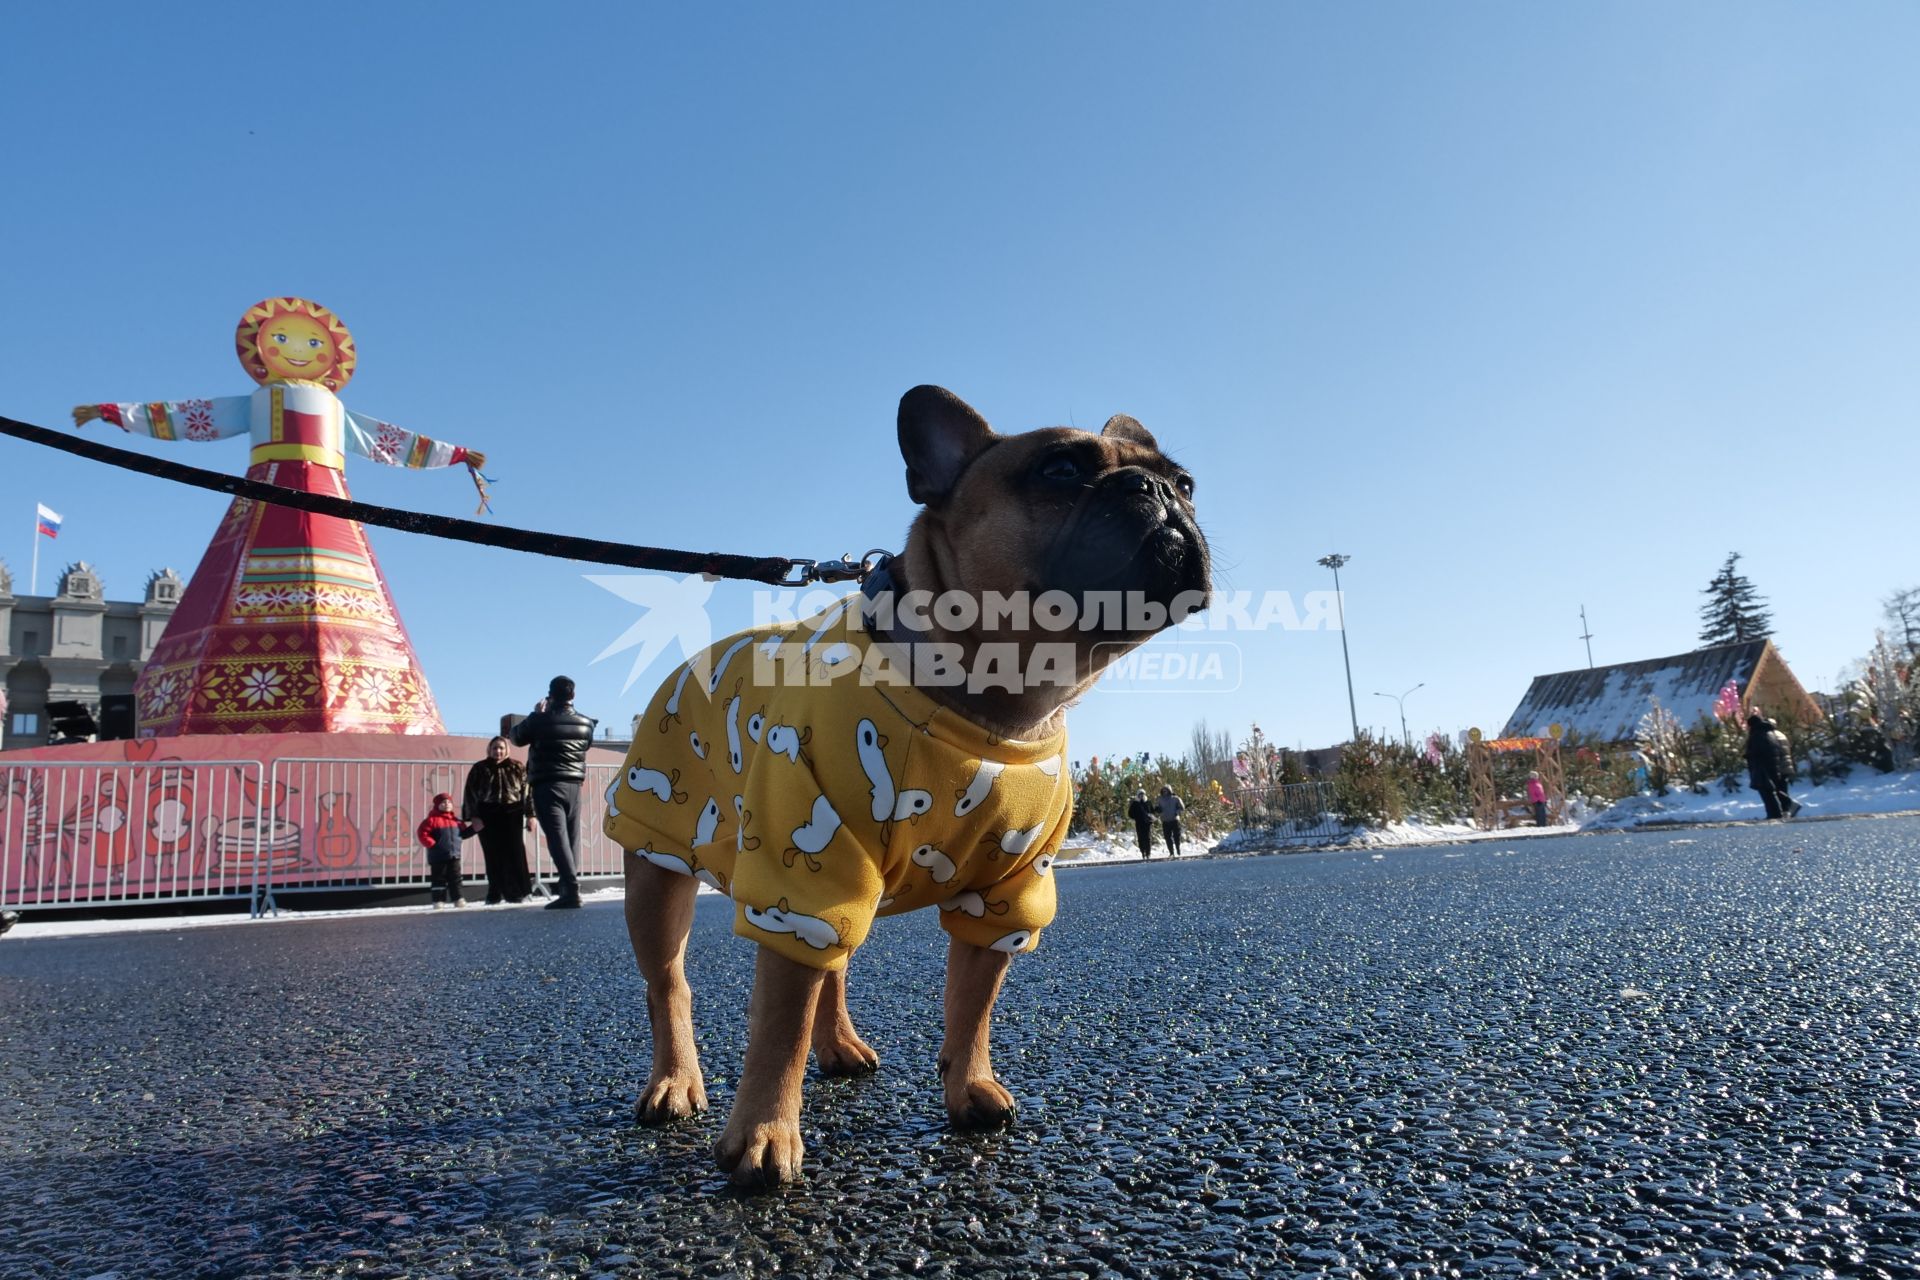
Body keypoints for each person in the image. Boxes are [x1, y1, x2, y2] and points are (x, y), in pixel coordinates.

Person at [511, 675, 598, 908]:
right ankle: (569, 887)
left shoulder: (540, 720)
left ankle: (570, 890)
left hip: (547, 784)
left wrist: (537, 714)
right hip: (574, 785)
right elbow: (586, 745)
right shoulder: (586, 723)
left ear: (550, 694)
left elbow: (516, 737)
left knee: (557, 838)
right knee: (571, 838)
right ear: (573, 695)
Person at [463, 736, 536, 903]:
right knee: (492, 854)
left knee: (515, 853)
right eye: (495, 748)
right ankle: (494, 892)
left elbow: (527, 793)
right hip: (487, 814)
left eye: (501, 748)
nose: (498, 751)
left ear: (507, 750)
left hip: (512, 813)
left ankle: (517, 892)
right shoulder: (479, 768)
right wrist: (473, 817)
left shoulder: (517, 767)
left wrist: (531, 815)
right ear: (489, 749)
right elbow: (470, 793)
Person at [417, 793, 482, 908]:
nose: (446, 804)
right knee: (438, 878)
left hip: (454, 855)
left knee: (456, 878)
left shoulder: (457, 821)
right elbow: (422, 833)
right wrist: (432, 844)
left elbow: (463, 834)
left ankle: (458, 899)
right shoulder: (431, 820)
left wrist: (474, 828)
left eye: (449, 802)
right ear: (437, 805)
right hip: (438, 856)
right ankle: (438, 900)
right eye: (443, 803)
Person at [1745, 713, 1802, 820]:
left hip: (1772, 766)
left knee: (1769, 791)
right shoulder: (1777, 734)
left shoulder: (1760, 734)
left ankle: (1779, 812)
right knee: (1777, 790)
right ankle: (1786, 810)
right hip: (1782, 766)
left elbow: (1760, 752)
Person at [1157, 784, 1186, 856]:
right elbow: (1156, 807)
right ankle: (1171, 852)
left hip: (1174, 820)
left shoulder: (1175, 798)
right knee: (1167, 837)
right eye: (1163, 791)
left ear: (1169, 790)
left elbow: (1182, 807)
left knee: (1176, 836)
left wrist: (1177, 812)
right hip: (1165, 820)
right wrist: (1158, 810)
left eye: (1166, 790)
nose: (1165, 792)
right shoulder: (1159, 799)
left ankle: (1178, 848)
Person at [1126, 788, 1155, 858]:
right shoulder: (1135, 803)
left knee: (1147, 838)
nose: (1141, 796)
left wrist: (1151, 816)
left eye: (1142, 794)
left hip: (1147, 823)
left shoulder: (1148, 802)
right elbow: (1130, 813)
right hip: (1139, 823)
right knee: (1140, 838)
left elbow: (1152, 811)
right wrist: (1135, 817)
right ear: (1138, 795)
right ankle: (1143, 852)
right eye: (1140, 794)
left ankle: (1148, 853)